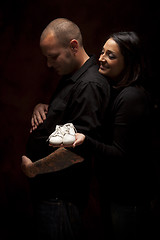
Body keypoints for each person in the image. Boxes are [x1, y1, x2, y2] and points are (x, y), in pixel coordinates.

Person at [22, 31, 155, 240]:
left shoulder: (131, 96)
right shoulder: (115, 90)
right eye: (102, 52)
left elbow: (120, 153)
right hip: (112, 194)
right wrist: (47, 108)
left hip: (128, 198)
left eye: (111, 55)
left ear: (128, 61)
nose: (101, 58)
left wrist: (35, 168)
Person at [22, 18, 110, 240]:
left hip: (61, 201)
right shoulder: (72, 76)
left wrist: (35, 169)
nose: (49, 65)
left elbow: (77, 151)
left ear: (73, 46)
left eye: (53, 57)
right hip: (52, 199)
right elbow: (66, 120)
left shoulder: (89, 85)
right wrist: (43, 107)